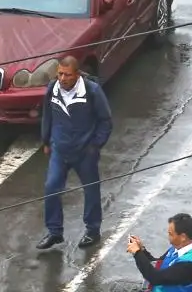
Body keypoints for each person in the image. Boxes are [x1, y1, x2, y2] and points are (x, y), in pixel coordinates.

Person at [37, 55, 113, 251]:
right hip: (59, 150)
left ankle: (92, 230)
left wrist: (95, 145)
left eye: (67, 75)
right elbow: (47, 116)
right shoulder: (52, 89)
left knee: (91, 190)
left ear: (77, 75)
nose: (63, 78)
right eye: (60, 74)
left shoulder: (92, 91)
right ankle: (54, 232)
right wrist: (46, 141)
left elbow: (105, 120)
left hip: (84, 152)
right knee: (51, 187)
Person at [125, 214, 192, 288]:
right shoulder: (177, 248)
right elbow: (157, 264)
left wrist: (137, 253)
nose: (168, 236)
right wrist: (142, 250)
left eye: (170, 234)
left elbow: (155, 278)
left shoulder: (188, 266)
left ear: (183, 237)